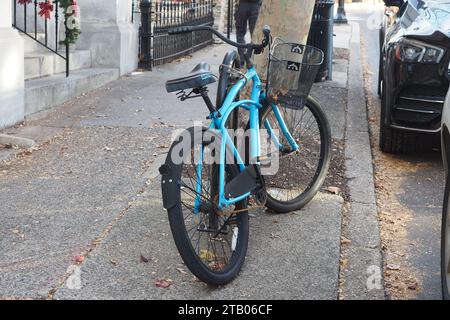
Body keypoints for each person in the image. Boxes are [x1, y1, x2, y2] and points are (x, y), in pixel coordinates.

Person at [235, 0, 262, 66]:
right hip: (254, 4)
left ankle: (243, 59)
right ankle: (249, 59)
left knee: (241, 33)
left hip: (244, 4)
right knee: (254, 34)